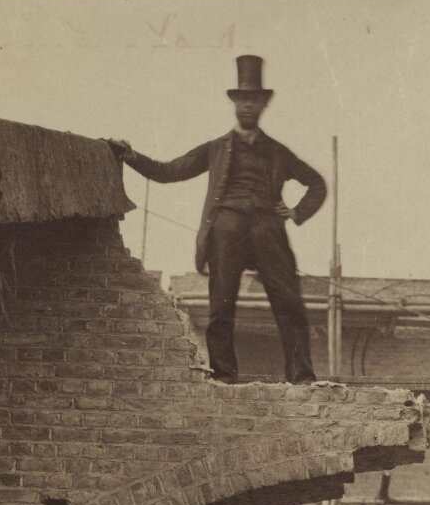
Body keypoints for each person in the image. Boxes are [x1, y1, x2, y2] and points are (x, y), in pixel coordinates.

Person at [107, 55, 326, 385]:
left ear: (263, 105)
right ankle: (224, 375)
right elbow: (170, 171)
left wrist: (296, 212)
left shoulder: (278, 151)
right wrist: (132, 155)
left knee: (289, 301)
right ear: (235, 104)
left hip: (268, 228)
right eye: (242, 100)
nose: (248, 106)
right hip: (227, 227)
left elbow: (317, 184)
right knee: (221, 305)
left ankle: (302, 375)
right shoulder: (216, 148)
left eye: (254, 100)